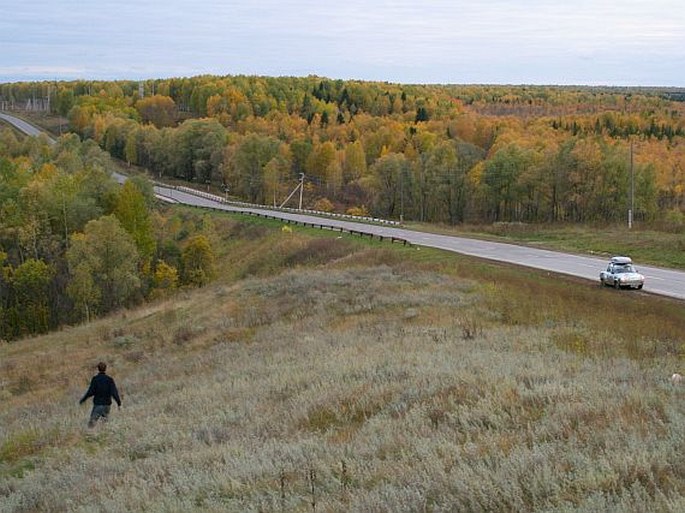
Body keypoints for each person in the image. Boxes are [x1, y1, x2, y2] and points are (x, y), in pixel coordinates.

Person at [79, 361, 121, 427]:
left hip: (98, 405)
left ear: (98, 368)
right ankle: (104, 435)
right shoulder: (109, 380)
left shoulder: (95, 379)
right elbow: (114, 392)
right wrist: (119, 403)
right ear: (105, 369)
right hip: (107, 405)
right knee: (104, 424)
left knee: (91, 424)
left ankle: (90, 436)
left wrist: (83, 400)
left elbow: (90, 392)